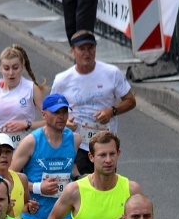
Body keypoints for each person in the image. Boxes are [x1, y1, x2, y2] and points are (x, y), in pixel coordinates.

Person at [12, 92, 80, 219]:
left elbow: (72, 168)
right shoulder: (32, 142)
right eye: (56, 112)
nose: (61, 116)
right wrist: (37, 188)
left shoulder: (74, 140)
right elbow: (11, 174)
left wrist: (78, 180)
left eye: (64, 112)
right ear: (44, 114)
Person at [47, 130, 142, 219]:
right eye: (102, 155)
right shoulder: (75, 190)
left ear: (118, 154)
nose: (108, 160)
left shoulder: (132, 189)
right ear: (91, 157)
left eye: (112, 154)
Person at [51, 30, 137, 175]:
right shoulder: (62, 80)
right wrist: (64, 123)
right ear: (72, 51)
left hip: (106, 144)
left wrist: (112, 111)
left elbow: (131, 101)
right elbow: (51, 112)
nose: (87, 53)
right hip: (78, 144)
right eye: (81, 49)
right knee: (84, 183)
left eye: (90, 48)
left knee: (106, 183)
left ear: (96, 48)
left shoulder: (112, 73)